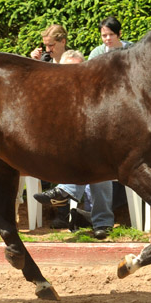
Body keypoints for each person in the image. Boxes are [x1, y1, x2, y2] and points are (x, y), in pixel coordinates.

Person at [34, 17, 132, 239]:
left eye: (110, 34)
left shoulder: (126, 54)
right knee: (97, 164)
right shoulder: (84, 61)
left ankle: (68, 191)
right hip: (88, 140)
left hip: (114, 131)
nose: (107, 39)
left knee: (96, 159)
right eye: (103, 35)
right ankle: (102, 222)